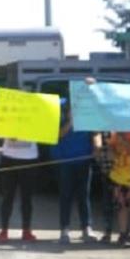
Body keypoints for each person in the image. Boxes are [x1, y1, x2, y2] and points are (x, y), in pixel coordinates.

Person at [52, 101, 97, 244]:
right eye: (72, 110)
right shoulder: (61, 121)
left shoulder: (87, 121)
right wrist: (71, 121)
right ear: (67, 111)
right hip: (66, 164)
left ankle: (86, 228)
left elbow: (95, 134)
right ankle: (64, 229)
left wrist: (97, 148)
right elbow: (59, 134)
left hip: (84, 163)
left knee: (84, 196)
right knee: (66, 196)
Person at [0, 138, 38, 242]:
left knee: (27, 197)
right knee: (7, 196)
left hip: (29, 157)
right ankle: (4, 230)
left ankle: (26, 230)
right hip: (9, 157)